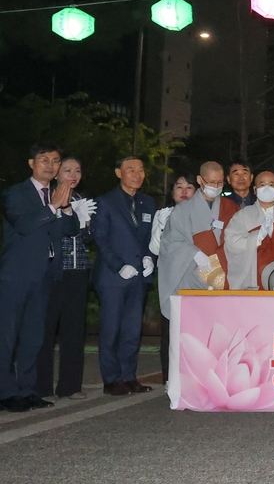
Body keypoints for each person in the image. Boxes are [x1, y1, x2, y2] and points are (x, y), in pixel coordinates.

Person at [0, 144, 79, 412]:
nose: (50, 165)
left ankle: (28, 389)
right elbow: (23, 225)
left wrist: (65, 207)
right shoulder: (15, 193)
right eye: (44, 160)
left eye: (55, 161)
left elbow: (70, 230)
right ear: (31, 163)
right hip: (16, 275)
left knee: (34, 336)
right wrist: (53, 205)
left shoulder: (56, 195)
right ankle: (6, 393)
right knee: (7, 336)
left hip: (46, 274)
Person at [157, 161, 239, 376]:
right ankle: (179, 378)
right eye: (211, 182)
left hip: (221, 278)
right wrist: (194, 252)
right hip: (189, 276)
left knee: (217, 334)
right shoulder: (182, 210)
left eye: (220, 182)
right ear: (200, 180)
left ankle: (217, 376)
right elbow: (170, 243)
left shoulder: (230, 208)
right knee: (188, 334)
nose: (215, 186)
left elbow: (238, 239)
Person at [91, 156, 157, 396]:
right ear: (119, 173)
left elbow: (151, 236)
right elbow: (101, 238)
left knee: (132, 330)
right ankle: (111, 379)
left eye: (141, 169)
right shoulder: (105, 202)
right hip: (112, 277)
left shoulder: (148, 202)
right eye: (131, 169)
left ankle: (129, 376)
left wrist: (150, 256)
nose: (137, 174)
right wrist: (119, 265)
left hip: (138, 277)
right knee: (111, 329)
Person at [36, 158, 96, 401]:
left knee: (74, 329)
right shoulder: (46, 198)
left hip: (78, 270)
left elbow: (89, 237)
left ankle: (70, 385)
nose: (73, 174)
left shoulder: (83, 200)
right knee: (46, 329)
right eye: (67, 170)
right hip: (52, 271)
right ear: (56, 173)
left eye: (78, 170)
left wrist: (85, 222)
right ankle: (41, 387)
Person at [224, 171, 274, 291]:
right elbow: (230, 241)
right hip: (252, 274)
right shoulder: (242, 215)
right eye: (262, 185)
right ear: (255, 190)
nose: (267, 188)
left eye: (271, 185)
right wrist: (257, 238)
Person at [150, 174, 195, 256]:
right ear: (172, 192)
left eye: (189, 187)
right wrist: (162, 227)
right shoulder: (162, 215)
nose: (184, 191)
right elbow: (155, 250)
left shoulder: (202, 215)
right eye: (179, 187)